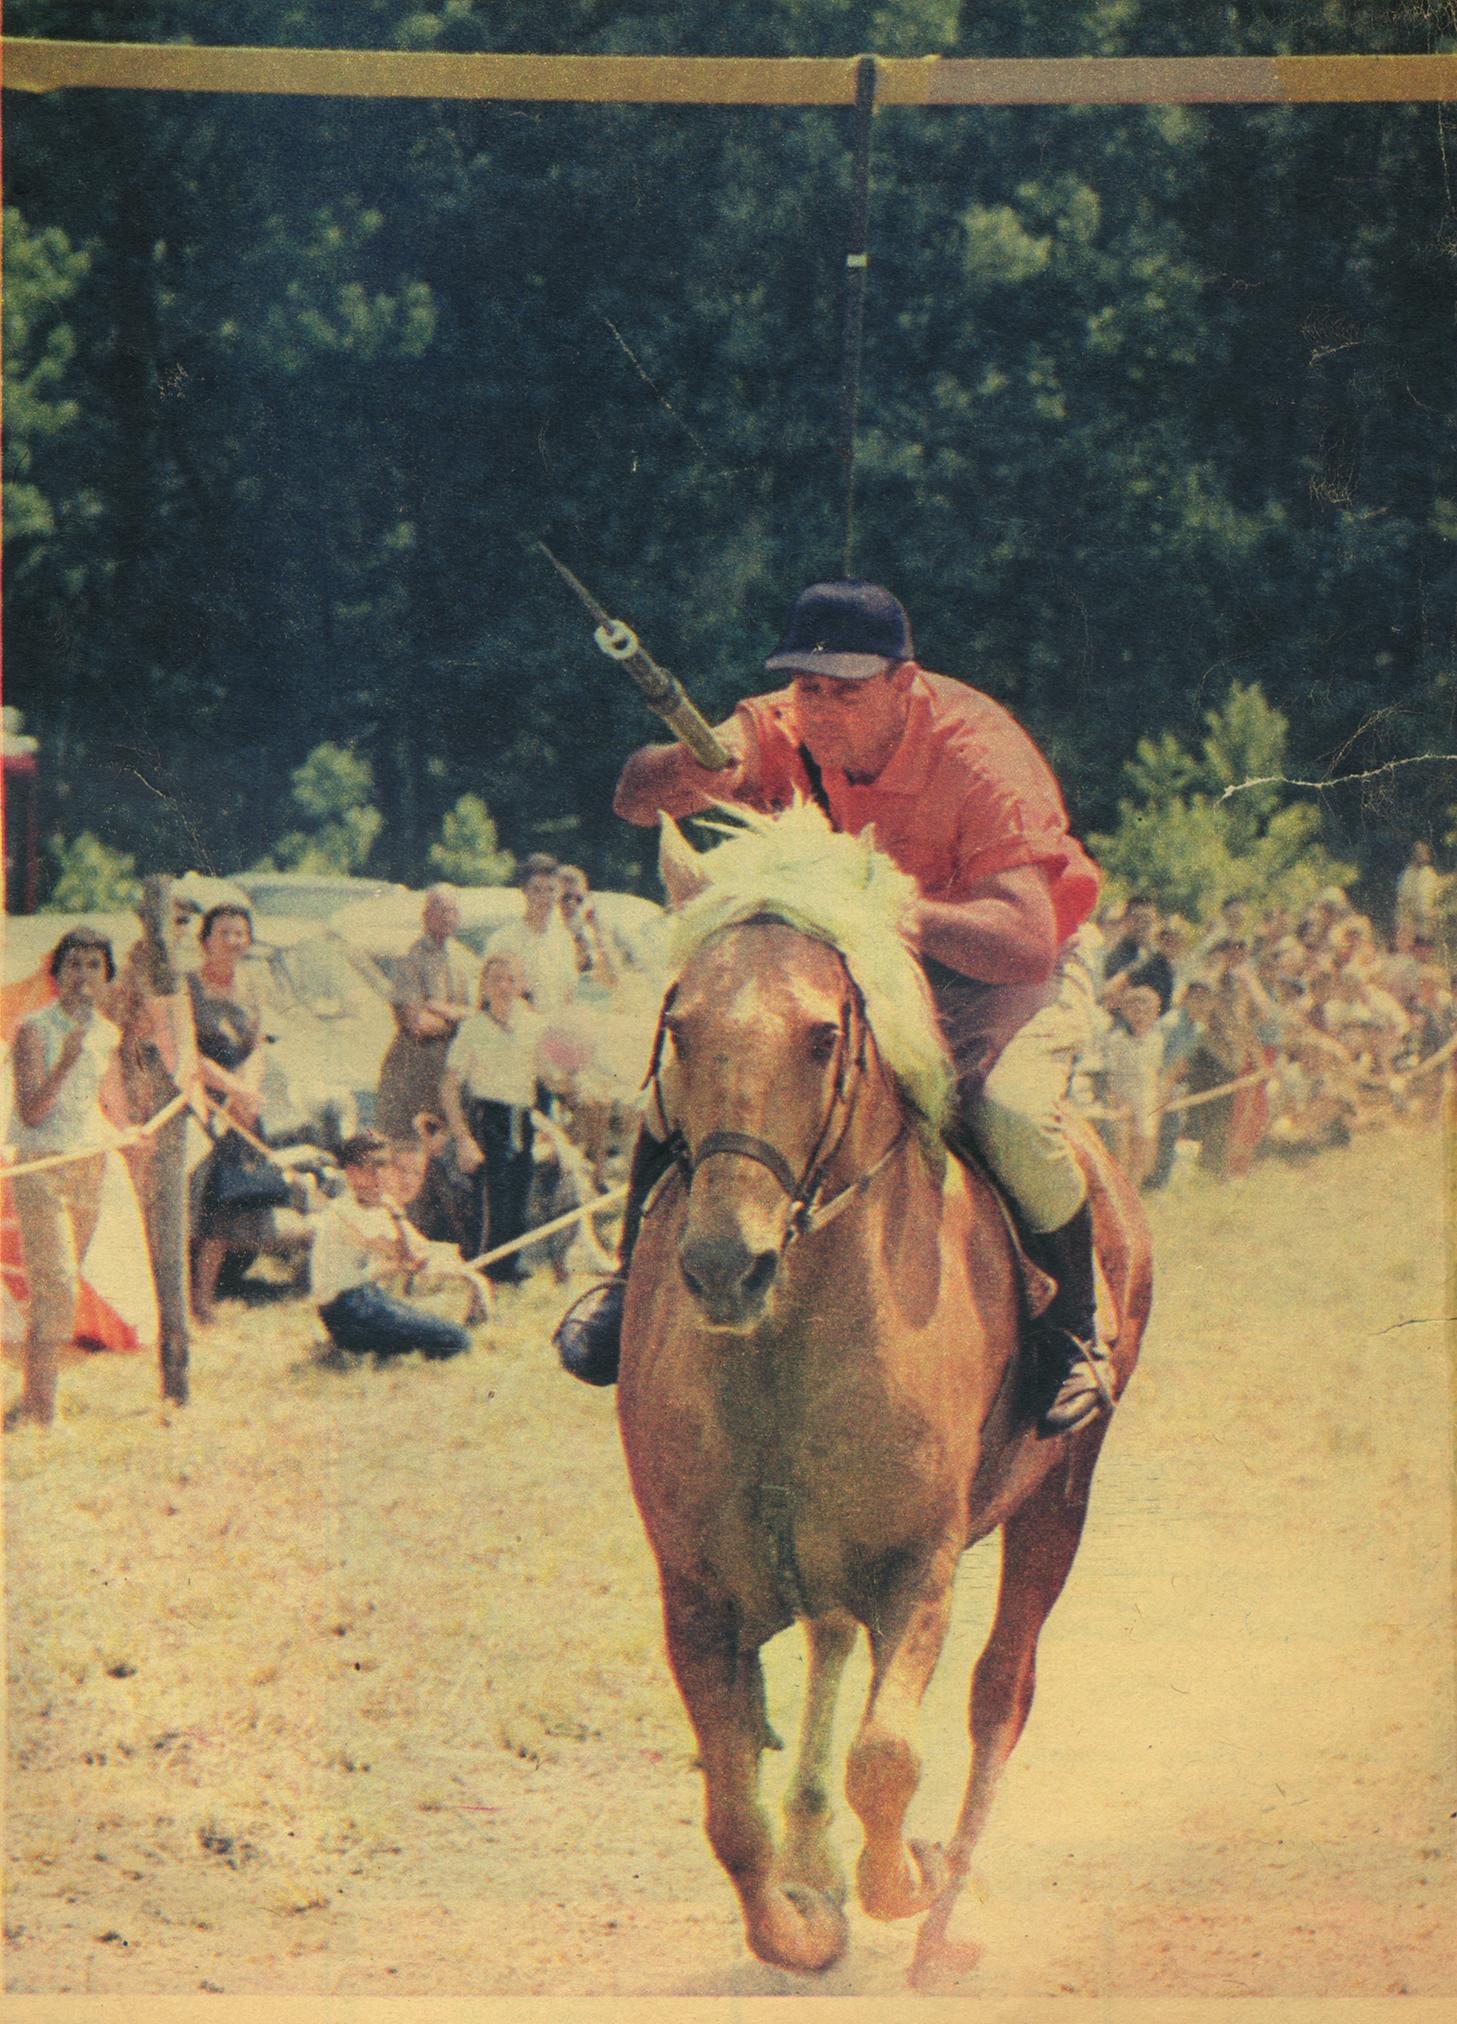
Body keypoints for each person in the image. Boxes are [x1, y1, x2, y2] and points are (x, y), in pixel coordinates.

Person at [556, 577, 1113, 1435]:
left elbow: (1022, 940)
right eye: (807, 688)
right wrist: (690, 769)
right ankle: (632, 1283)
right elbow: (633, 796)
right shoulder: (785, 722)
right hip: (871, 958)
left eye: (845, 693)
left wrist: (890, 908)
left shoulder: (982, 758)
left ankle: (1075, 1326)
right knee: (682, 1083)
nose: (819, 712)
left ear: (902, 683)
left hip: (1003, 968)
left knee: (1005, 1112)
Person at [6, 929, 130, 1427]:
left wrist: (131, 1133)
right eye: (74, 964)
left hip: (88, 1167)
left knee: (64, 1287)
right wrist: (64, 1062)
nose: (83, 975)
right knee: (55, 1286)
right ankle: (42, 1412)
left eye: (94, 965)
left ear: (107, 977)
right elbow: (32, 1113)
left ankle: (35, 1397)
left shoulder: (107, 1033)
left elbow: (112, 1106)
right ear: (57, 974)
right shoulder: (34, 1029)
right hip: (42, 1168)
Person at [311, 1131, 477, 1360]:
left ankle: (372, 1345)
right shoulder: (347, 1210)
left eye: (384, 1166)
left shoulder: (376, 1204)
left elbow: (421, 1248)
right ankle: (353, 1346)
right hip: (347, 1310)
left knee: (437, 1321)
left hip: (368, 1297)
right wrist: (396, 1215)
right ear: (352, 1173)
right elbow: (410, 1257)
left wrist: (457, 1266)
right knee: (457, 1339)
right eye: (373, 1167)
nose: (381, 1175)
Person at [440, 951, 549, 1285]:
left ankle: (509, 1267)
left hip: (522, 1116)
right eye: (496, 979)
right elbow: (449, 1087)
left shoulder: (534, 1026)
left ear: (521, 984)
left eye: (511, 979)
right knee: (492, 1197)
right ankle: (485, 1271)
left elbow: (547, 1077)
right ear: (484, 986)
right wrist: (463, 1139)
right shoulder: (472, 1029)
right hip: (489, 1117)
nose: (504, 986)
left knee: (519, 1193)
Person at [186, 903, 272, 1323]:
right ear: (205, 941)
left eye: (240, 933)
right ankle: (175, 1302)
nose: (234, 941)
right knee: (190, 1200)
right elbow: (186, 1053)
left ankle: (203, 1300)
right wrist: (232, 1089)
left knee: (223, 1204)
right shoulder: (188, 987)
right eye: (224, 933)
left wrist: (248, 1093)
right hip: (195, 1102)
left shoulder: (253, 984)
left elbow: (257, 1046)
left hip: (239, 1106)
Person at [374, 885, 478, 1141]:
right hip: (413, 1070)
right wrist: (458, 1020)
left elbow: (479, 1016)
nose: (447, 917)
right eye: (439, 910)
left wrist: (443, 1011)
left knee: (449, 1147)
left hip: (452, 1071)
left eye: (452, 911)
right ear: (425, 915)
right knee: (407, 1146)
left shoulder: (464, 959)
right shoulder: (410, 958)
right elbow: (417, 1025)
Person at [483, 855, 579, 1022]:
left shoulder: (564, 941)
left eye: (551, 890)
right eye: (537, 890)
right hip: (516, 1031)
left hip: (556, 1032)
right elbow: (490, 999)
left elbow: (568, 997)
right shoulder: (503, 940)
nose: (545, 897)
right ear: (524, 891)